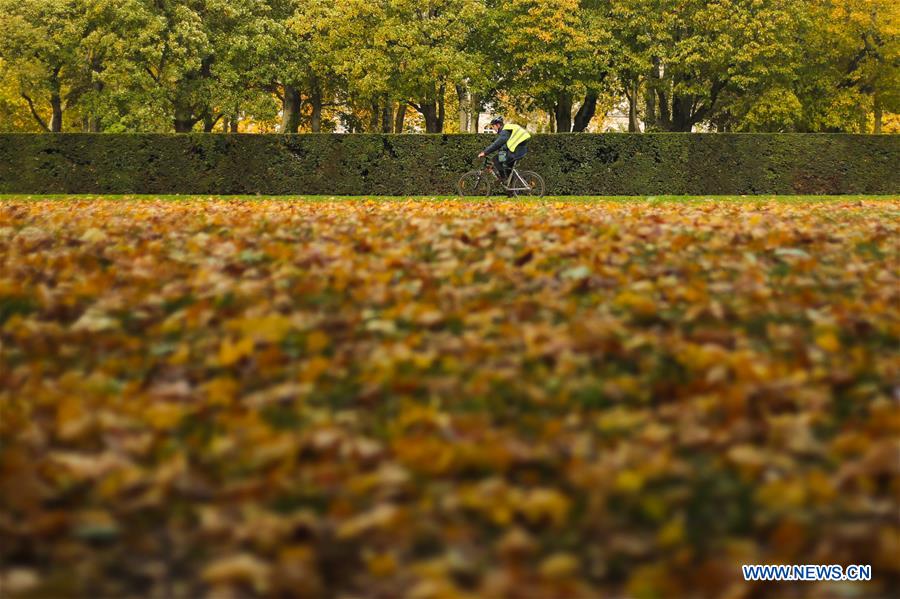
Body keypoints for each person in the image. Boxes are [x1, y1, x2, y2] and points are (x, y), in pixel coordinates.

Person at [478, 117, 531, 187]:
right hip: (519, 150)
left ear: (498, 125)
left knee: (496, 159)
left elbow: (498, 144)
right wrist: (500, 151)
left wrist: (485, 152)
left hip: (516, 151)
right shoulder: (508, 130)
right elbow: (505, 146)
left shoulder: (505, 131)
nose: (493, 129)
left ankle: (503, 179)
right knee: (507, 168)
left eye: (493, 126)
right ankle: (510, 190)